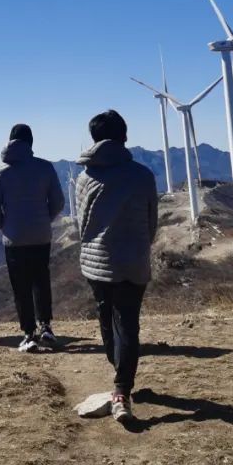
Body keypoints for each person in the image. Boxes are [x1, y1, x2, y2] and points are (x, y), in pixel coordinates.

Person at [75, 111, 159, 423]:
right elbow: (151, 222)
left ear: (94, 138)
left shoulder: (85, 178)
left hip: (96, 261)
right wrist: (139, 245)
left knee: (107, 319)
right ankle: (122, 389)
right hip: (132, 261)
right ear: (124, 136)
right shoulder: (143, 175)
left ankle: (120, 373)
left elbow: (81, 224)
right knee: (128, 323)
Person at [0, 124, 65, 352]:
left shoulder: (2, 171)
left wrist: (4, 225)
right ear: (31, 143)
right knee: (41, 280)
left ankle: (29, 334)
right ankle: (46, 327)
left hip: (14, 238)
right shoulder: (45, 167)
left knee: (20, 286)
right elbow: (59, 202)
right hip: (41, 236)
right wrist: (45, 218)